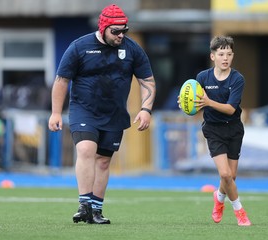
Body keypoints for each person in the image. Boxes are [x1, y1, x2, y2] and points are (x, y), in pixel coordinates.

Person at [48, 4, 156, 224]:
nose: (120, 35)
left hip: (114, 113)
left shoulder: (132, 49)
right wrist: (55, 113)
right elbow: (61, 81)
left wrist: (146, 109)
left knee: (104, 162)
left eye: (124, 30)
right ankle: (84, 204)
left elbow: (148, 82)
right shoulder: (79, 47)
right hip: (83, 110)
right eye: (115, 31)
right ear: (103, 27)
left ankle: (96, 210)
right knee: (86, 149)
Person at [181, 36, 251, 226]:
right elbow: (195, 104)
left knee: (232, 176)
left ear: (233, 56)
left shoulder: (237, 79)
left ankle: (219, 197)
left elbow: (230, 108)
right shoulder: (203, 78)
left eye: (228, 54)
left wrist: (208, 102)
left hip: (234, 129)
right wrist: (185, 105)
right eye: (221, 54)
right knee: (226, 175)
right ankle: (240, 212)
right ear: (213, 56)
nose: (225, 58)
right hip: (213, 129)